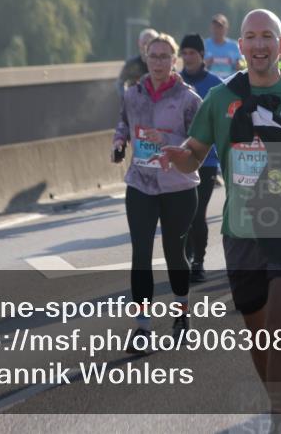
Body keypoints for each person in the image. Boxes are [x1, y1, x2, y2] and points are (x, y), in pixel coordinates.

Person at [157, 9, 281, 427]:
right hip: (241, 229)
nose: (259, 44)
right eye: (250, 37)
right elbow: (194, 153)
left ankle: (278, 418)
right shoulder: (219, 97)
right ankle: (279, 401)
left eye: (267, 36)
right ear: (241, 46)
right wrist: (179, 159)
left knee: (277, 327)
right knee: (257, 334)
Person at [113, 33, 201, 347]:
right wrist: (119, 142)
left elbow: (199, 143)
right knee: (141, 254)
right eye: (154, 56)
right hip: (140, 182)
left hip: (177, 185)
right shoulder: (132, 94)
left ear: (174, 61)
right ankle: (142, 328)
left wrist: (166, 142)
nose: (159, 62)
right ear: (146, 59)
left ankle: (181, 309)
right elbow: (123, 122)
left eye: (165, 56)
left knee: (175, 254)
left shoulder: (188, 98)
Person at [178, 33, 223, 283]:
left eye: (192, 53)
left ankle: (198, 262)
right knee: (180, 215)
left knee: (197, 213)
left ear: (202, 55)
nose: (188, 57)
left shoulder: (216, 85)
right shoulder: (175, 83)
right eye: (184, 53)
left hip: (207, 160)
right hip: (179, 158)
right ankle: (184, 258)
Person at [117, 28, 159, 101]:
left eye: (151, 43)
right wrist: (126, 97)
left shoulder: (164, 64)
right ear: (139, 43)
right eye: (145, 43)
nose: (147, 46)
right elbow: (120, 83)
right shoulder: (132, 64)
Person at [205, 13, 245, 79]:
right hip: (210, 83)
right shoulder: (205, 45)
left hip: (230, 83)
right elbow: (198, 67)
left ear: (226, 28)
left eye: (220, 27)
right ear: (211, 28)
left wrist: (236, 65)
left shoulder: (234, 46)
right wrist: (207, 63)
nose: (217, 30)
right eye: (215, 27)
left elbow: (240, 67)